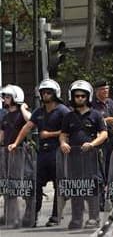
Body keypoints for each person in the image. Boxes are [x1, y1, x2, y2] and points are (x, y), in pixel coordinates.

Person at [8, 79, 70, 227]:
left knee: (58, 185)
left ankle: (55, 216)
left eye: (48, 92)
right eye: (43, 92)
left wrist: (50, 134)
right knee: (35, 185)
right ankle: (32, 216)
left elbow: (69, 130)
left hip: (57, 153)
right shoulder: (39, 111)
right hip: (42, 154)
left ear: (55, 93)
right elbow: (27, 127)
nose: (45, 95)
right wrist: (16, 143)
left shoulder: (63, 110)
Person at [59, 80, 107, 229]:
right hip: (74, 158)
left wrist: (92, 144)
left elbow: (104, 134)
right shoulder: (68, 116)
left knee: (91, 187)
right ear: (72, 97)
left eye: (83, 96)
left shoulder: (96, 115)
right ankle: (76, 219)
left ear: (88, 97)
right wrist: (63, 143)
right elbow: (63, 134)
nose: (79, 98)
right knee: (76, 188)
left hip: (91, 157)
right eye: (77, 96)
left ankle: (94, 218)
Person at [0, 85, 31, 228]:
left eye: (7, 97)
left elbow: (31, 122)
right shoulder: (5, 116)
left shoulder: (21, 113)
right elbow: (1, 136)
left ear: (15, 97)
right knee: (8, 185)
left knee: (19, 185)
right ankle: (10, 217)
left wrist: (23, 108)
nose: (5, 99)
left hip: (20, 152)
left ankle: (24, 217)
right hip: (6, 154)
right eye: (4, 97)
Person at [91, 80, 113, 211]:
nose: (106, 91)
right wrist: (105, 120)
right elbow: (91, 120)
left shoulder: (110, 103)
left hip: (111, 140)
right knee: (101, 171)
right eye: (103, 89)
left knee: (112, 169)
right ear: (97, 91)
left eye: (107, 89)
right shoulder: (92, 105)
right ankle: (101, 201)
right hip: (100, 142)